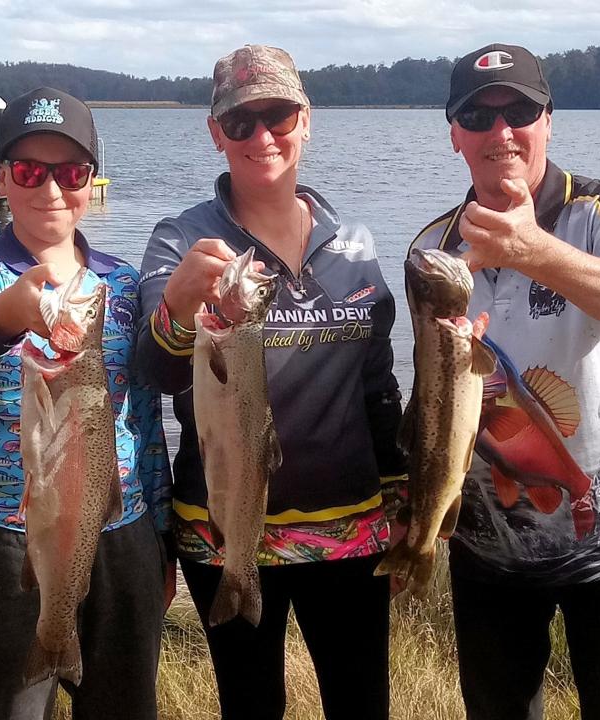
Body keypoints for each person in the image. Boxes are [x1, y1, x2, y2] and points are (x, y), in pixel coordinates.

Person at [409, 43, 600, 720]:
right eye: (478, 114)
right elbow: (431, 393)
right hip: (488, 549)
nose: (500, 130)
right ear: (454, 134)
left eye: (519, 111)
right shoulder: (432, 251)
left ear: (549, 121)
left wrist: (532, 251)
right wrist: (411, 502)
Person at [135, 45, 403, 720]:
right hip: (222, 532)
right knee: (250, 707)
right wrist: (176, 306)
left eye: (278, 115)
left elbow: (377, 384)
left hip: (349, 532)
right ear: (216, 132)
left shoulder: (354, 244)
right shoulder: (180, 240)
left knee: (361, 704)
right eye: (241, 121)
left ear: (306, 121)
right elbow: (157, 370)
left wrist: (400, 496)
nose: (262, 136)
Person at [0, 87, 171, 720]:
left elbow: (144, 419)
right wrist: (5, 316)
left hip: (119, 531)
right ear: (5, 178)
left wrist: (160, 534)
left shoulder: (122, 284)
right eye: (31, 171)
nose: (52, 190)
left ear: (92, 178)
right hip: (11, 539)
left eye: (71, 172)